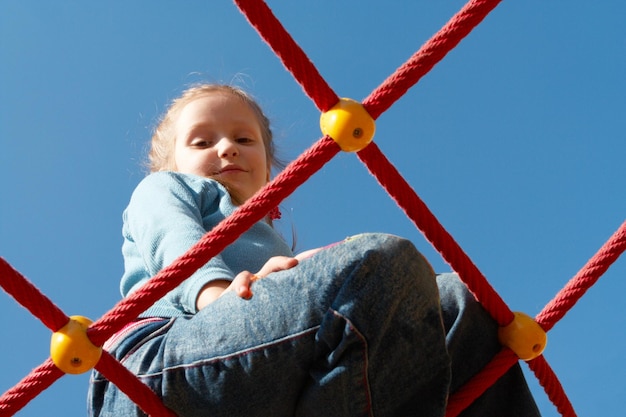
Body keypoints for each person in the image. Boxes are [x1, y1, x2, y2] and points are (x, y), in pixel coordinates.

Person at [88, 84, 541, 416]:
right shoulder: (167, 187)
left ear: (270, 170)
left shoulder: (267, 239)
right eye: (202, 142)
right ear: (171, 164)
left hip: (260, 375)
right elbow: (173, 243)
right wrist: (216, 292)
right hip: (157, 368)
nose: (226, 149)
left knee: (460, 306)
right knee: (379, 264)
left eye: (244, 140)